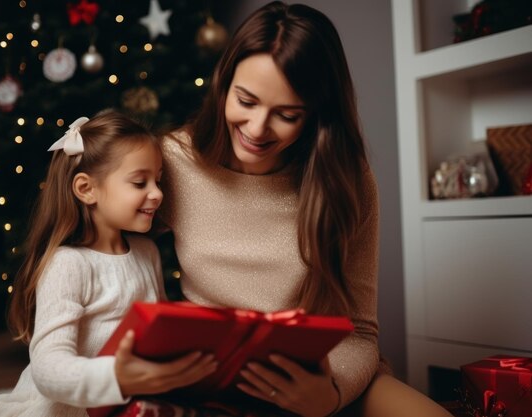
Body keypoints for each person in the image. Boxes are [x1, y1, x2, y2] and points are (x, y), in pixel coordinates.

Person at [156, 2, 454, 417]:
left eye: (287, 115)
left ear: (315, 115)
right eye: (246, 100)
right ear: (224, 85)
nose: (258, 129)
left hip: (323, 376)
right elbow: (105, 255)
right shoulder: (173, 161)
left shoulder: (347, 180)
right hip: (213, 378)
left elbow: (361, 330)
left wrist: (329, 395)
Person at [0, 109, 218, 417]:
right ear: (86, 189)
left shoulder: (146, 253)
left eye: (158, 180)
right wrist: (116, 377)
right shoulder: (68, 264)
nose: (158, 193)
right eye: (140, 182)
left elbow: (156, 333)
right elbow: (48, 369)